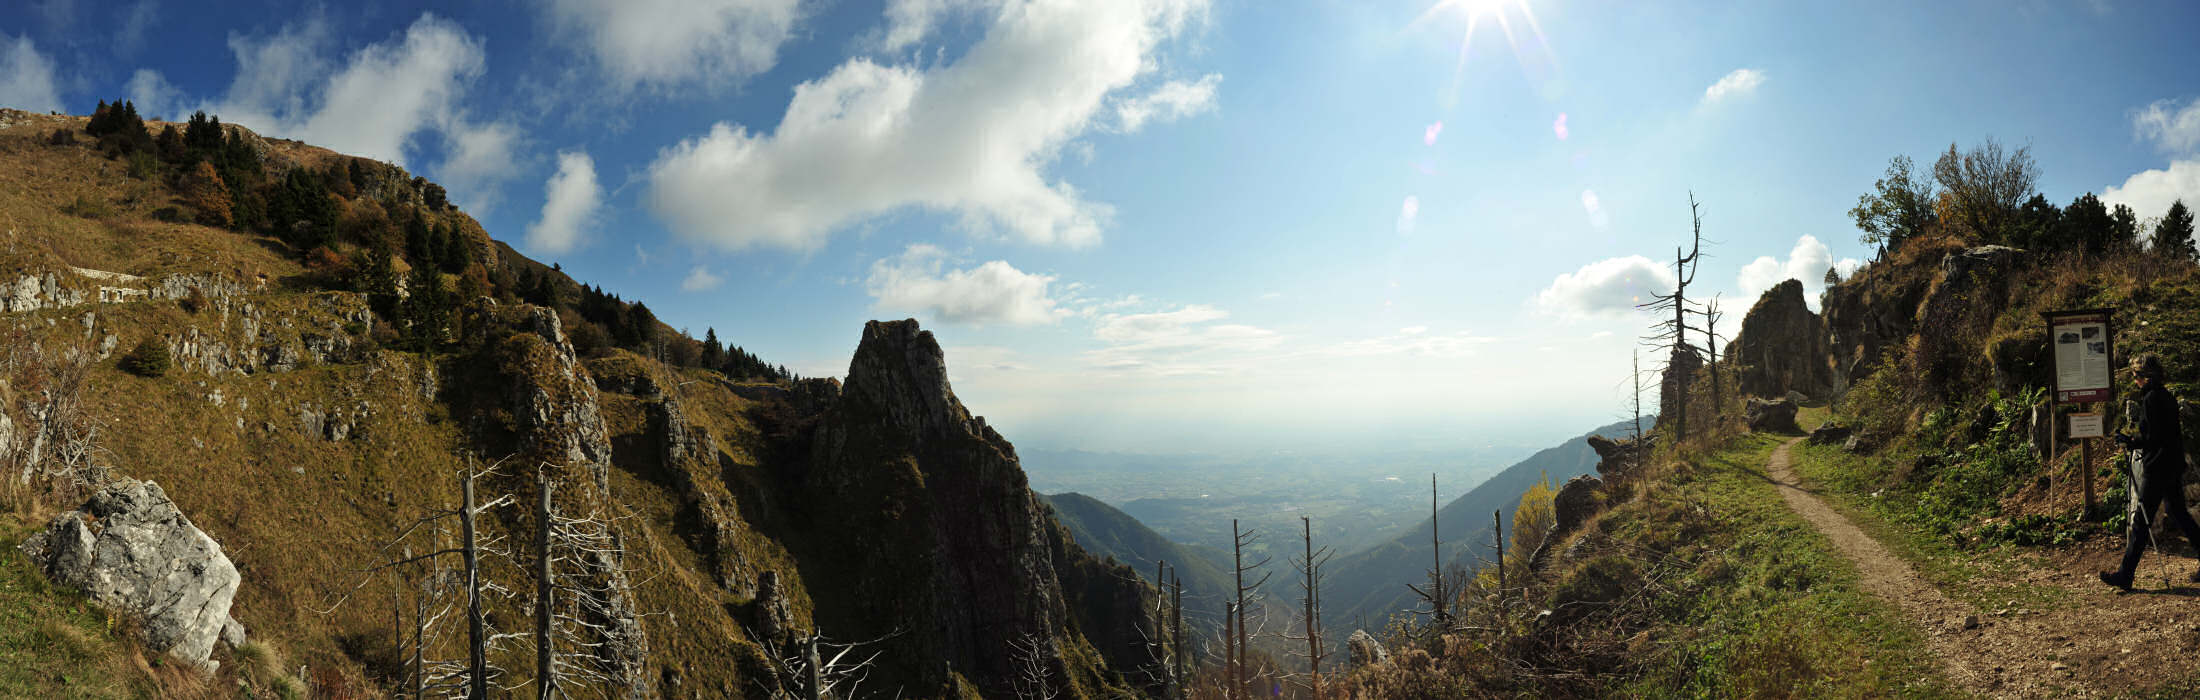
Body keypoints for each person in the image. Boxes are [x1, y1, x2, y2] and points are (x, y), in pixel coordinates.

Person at [2100, 353, 2200, 590]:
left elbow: (2152, 438)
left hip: (2157, 467)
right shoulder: (2166, 396)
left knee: (2141, 521)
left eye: (2136, 375)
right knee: (2179, 515)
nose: (2134, 380)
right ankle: (2125, 574)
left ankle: (2125, 575)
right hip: (2172, 464)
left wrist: (2130, 440)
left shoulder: (2151, 399)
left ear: (2145, 376)